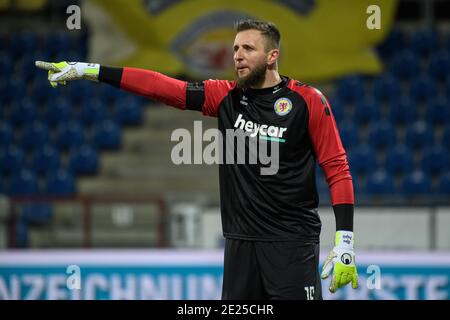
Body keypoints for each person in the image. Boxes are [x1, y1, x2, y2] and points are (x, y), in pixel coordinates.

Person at [35, 19, 358, 300]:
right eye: (235, 49)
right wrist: (90, 70)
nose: (238, 56)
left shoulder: (307, 101)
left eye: (248, 48)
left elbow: (337, 169)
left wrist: (344, 241)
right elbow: (161, 87)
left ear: (272, 56)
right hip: (240, 247)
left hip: (292, 246)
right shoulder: (227, 96)